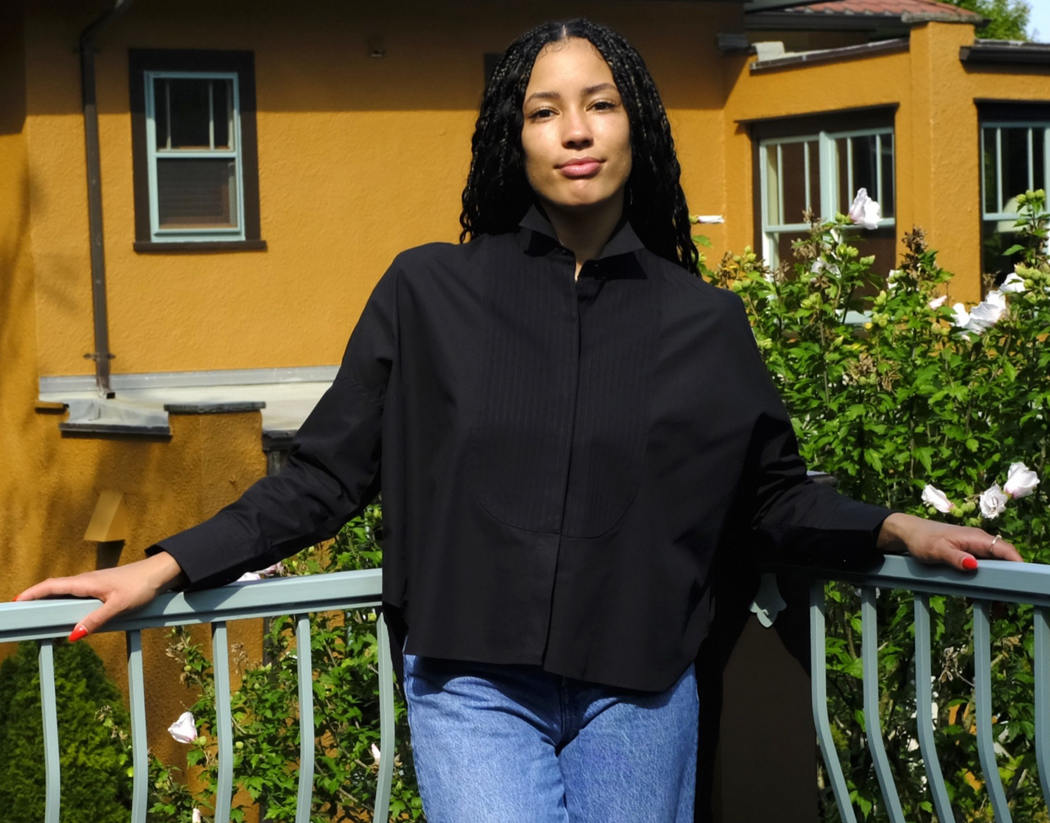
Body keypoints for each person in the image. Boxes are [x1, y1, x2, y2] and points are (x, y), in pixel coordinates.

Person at [15, 18, 1024, 823]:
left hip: (640, 690)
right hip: (471, 684)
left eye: (600, 105)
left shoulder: (703, 320)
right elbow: (322, 474)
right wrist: (165, 563)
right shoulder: (429, 292)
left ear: (638, 128)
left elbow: (767, 493)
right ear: (515, 133)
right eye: (545, 111)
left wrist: (890, 527)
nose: (576, 132)